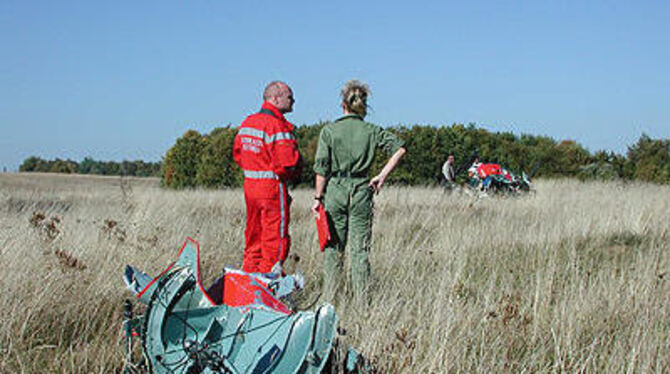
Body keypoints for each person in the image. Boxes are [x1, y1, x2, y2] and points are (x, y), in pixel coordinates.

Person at [311, 80, 406, 302]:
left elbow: (322, 168)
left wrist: (317, 198)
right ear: (363, 105)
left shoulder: (329, 131)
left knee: (334, 249)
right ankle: (363, 303)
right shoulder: (371, 131)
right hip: (362, 189)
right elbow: (400, 149)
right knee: (360, 251)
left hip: (335, 189)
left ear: (343, 104)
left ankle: (330, 302)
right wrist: (381, 176)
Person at [233, 81, 302, 274]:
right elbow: (288, 163)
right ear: (276, 98)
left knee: (254, 236)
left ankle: (248, 277)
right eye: (290, 97)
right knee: (275, 239)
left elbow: (238, 154)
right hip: (271, 189)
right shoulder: (277, 126)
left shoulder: (248, 122)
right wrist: (298, 169)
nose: (293, 101)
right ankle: (267, 282)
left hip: (250, 187)